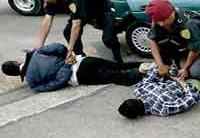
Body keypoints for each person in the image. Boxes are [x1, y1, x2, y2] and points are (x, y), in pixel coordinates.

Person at [144, 0, 200, 95]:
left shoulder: (190, 24)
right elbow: (151, 39)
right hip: (187, 44)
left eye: (163, 20)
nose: (161, 24)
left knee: (196, 72)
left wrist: (185, 68)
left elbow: (196, 49)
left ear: (171, 14)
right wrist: (160, 65)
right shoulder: (160, 19)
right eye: (158, 21)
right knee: (166, 69)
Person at [29, 0, 124, 63]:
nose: (44, 1)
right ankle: (81, 57)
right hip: (84, 11)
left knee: (108, 39)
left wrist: (70, 49)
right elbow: (48, 19)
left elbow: (76, 25)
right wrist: (40, 44)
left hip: (102, 9)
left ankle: (118, 58)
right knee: (67, 32)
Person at [1, 43, 145, 92]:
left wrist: (66, 65)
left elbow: (58, 83)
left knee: (116, 77)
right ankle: (151, 64)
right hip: (83, 61)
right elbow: (58, 47)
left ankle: (148, 73)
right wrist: (67, 57)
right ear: (16, 62)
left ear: (16, 75)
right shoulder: (36, 53)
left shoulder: (33, 83)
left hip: (79, 76)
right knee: (118, 66)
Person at [118, 65, 200, 118]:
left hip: (178, 75)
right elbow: (190, 99)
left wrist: (171, 73)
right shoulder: (161, 108)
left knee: (197, 68)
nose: (137, 99)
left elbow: (154, 71)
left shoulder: (139, 91)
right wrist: (183, 84)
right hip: (195, 86)